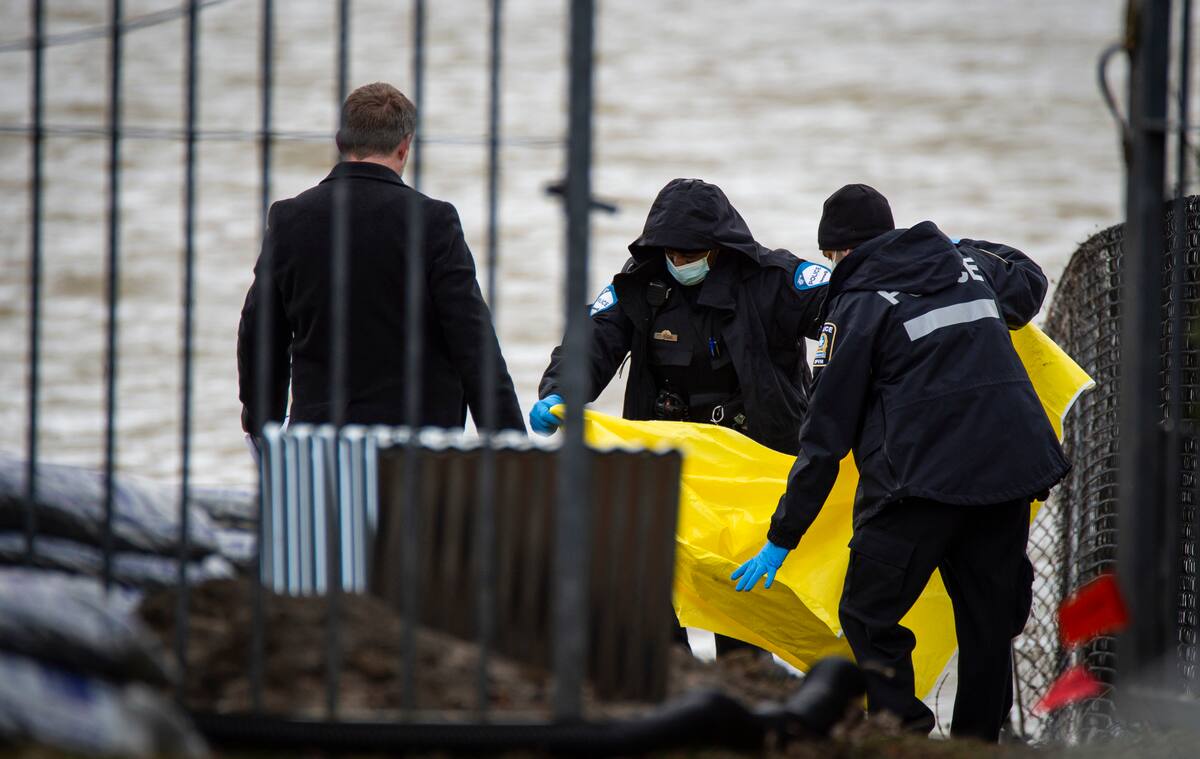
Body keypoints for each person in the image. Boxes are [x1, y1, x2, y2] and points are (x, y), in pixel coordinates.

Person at [730, 184, 1069, 741]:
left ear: (838, 252)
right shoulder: (969, 270)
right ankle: (976, 747)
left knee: (867, 613)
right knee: (986, 626)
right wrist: (957, 242)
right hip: (1007, 475)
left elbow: (824, 435)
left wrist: (783, 536)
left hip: (922, 487)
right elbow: (1028, 275)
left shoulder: (858, 305)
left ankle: (902, 736)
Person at [533, 177, 831, 655]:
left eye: (690, 255)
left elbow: (849, 311)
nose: (679, 263)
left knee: (741, 610)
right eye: (672, 253)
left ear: (718, 249)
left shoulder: (774, 279)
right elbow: (592, 340)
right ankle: (672, 683)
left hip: (750, 470)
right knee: (655, 598)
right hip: (671, 469)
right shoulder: (640, 282)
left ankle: (746, 688)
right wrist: (557, 393)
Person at [237, 82, 525, 435]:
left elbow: (260, 332)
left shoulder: (290, 219)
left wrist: (261, 421)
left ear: (341, 142)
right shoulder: (433, 222)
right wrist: (509, 442)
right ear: (405, 148)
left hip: (321, 443)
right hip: (414, 450)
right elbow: (473, 341)